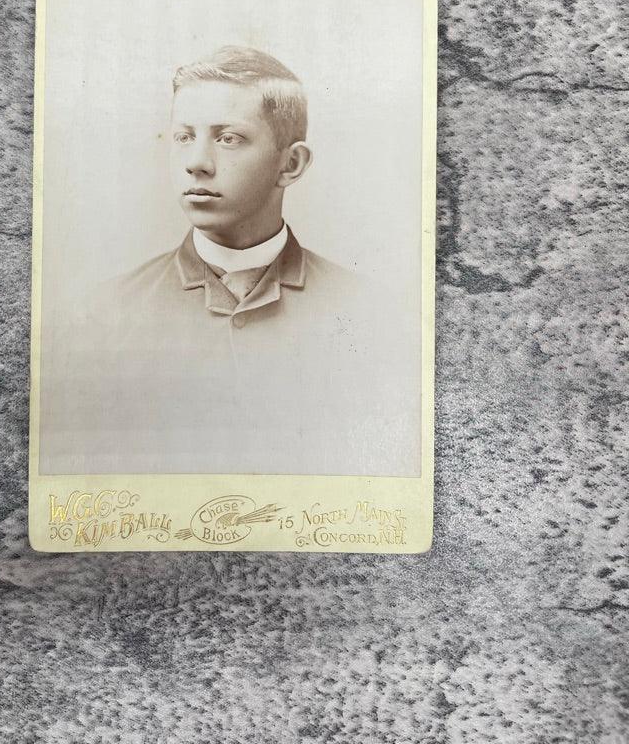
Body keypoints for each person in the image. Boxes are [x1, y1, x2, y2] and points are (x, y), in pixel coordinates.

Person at [46, 47, 410, 475]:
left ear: (290, 164)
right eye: (184, 137)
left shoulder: (373, 316)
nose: (196, 163)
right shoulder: (102, 316)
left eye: (228, 138)